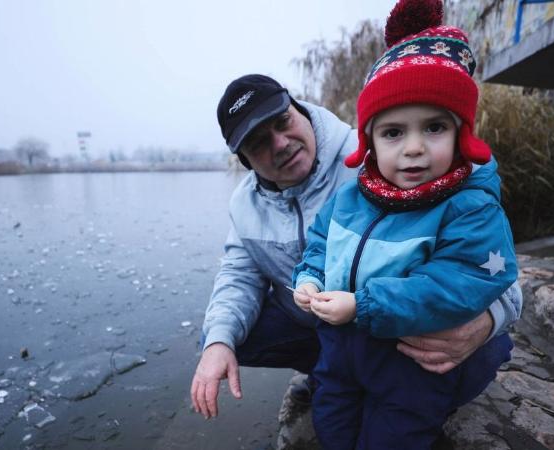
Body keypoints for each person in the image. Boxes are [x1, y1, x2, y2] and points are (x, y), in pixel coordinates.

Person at [190, 71, 522, 419]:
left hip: (401, 321)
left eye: (282, 121)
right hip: (323, 328)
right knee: (226, 335)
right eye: (258, 142)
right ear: (245, 161)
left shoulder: (381, 154)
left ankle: (420, 402)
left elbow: (490, 265)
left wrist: (489, 318)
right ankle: (330, 374)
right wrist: (218, 341)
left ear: (299, 109)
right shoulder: (245, 206)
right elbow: (237, 277)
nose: (280, 143)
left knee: (486, 344)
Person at [290, 0, 517, 447]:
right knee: (332, 421)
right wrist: (310, 278)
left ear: (460, 133)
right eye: (393, 132)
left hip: (408, 359)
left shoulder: (468, 206)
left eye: (433, 128)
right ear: (369, 142)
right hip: (341, 354)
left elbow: (463, 279)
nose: (413, 148)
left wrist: (363, 306)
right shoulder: (349, 199)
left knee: (397, 432)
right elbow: (320, 245)